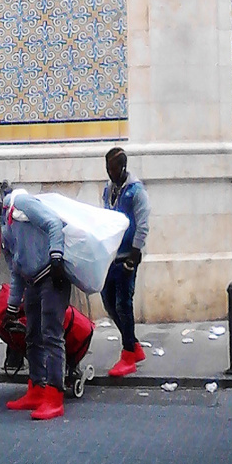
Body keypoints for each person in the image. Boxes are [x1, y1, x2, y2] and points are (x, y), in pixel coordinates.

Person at [0, 188, 69, 421]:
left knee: (52, 335)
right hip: (32, 282)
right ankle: (37, 389)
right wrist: (12, 307)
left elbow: (53, 223)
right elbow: (16, 270)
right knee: (32, 337)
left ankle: (55, 397)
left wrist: (56, 257)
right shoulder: (4, 229)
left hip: (51, 277)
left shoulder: (20, 202)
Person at [101, 148, 150, 377]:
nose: (111, 173)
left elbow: (142, 225)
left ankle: (128, 353)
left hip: (128, 255)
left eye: (114, 169)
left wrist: (134, 254)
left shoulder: (136, 192)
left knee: (123, 303)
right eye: (108, 169)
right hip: (112, 254)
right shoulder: (107, 190)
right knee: (108, 301)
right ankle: (133, 344)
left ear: (123, 167)